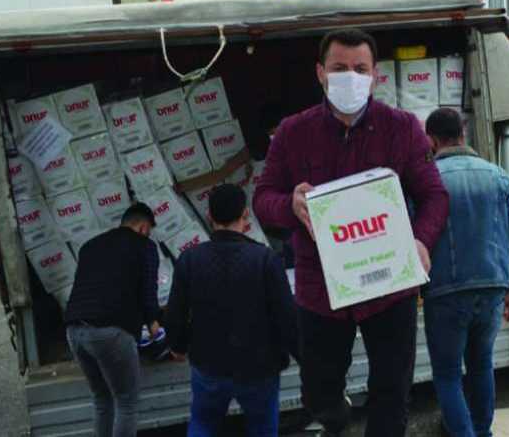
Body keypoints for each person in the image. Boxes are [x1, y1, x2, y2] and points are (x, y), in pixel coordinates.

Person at [254, 29, 450, 437]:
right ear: (320, 73)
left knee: (392, 393)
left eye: (360, 69)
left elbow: (434, 196)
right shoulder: (293, 133)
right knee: (318, 391)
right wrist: (289, 204)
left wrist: (421, 240)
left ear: (375, 75)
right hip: (320, 289)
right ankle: (334, 414)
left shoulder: (402, 128)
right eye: (339, 68)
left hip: (389, 285)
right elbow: (262, 200)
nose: (350, 77)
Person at [422, 108, 509, 437]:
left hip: (444, 293)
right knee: (482, 366)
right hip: (493, 288)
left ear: (431, 141)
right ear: (463, 135)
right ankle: (483, 433)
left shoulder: (427, 180)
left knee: (448, 374)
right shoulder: (496, 175)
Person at [164, 183, 299, 437]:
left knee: (203, 423)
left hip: (208, 364)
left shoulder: (189, 260)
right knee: (262, 428)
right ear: (245, 214)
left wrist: (178, 346)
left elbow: (175, 314)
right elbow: (286, 317)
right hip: (259, 366)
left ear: (209, 217)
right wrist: (303, 357)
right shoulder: (265, 259)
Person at [64, 202, 161, 437]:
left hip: (74, 330)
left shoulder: (90, 246)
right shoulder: (144, 246)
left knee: (102, 398)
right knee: (127, 403)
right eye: (148, 230)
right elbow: (148, 290)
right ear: (142, 227)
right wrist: (154, 324)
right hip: (110, 331)